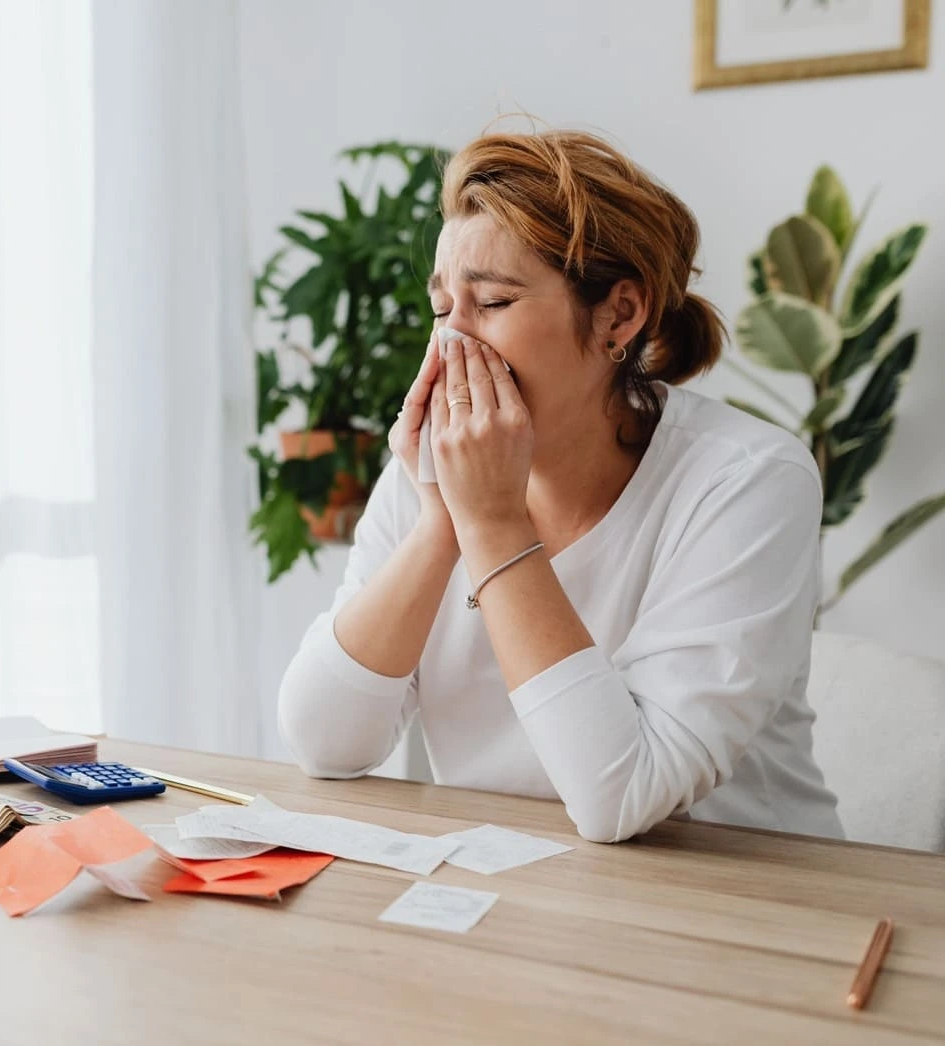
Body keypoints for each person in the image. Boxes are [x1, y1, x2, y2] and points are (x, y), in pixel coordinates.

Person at [277, 129, 842, 843]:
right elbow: (324, 745)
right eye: (443, 307)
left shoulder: (747, 481)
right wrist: (441, 523)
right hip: (521, 898)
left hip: (750, 908)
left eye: (493, 302)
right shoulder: (433, 472)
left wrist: (493, 526)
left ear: (619, 316)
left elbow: (623, 797)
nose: (452, 344)